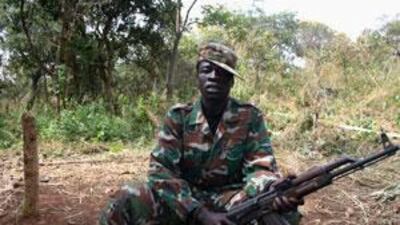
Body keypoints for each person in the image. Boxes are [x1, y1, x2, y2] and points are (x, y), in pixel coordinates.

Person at [99, 43, 303, 225]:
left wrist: (270, 188)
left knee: (283, 213)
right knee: (127, 197)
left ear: (231, 81)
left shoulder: (249, 116)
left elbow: (260, 168)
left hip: (232, 198)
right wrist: (198, 213)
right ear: (198, 77)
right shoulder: (179, 116)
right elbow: (161, 172)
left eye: (222, 73)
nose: (214, 77)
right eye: (207, 70)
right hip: (186, 199)